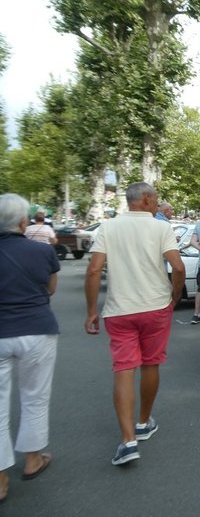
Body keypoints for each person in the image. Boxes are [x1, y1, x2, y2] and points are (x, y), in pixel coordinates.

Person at [84, 182, 185, 466]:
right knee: (150, 364)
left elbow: (94, 269)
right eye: (156, 199)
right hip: (155, 306)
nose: (157, 203)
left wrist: (92, 310)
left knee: (123, 370)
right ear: (147, 199)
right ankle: (143, 422)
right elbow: (178, 267)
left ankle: (127, 441)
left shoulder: (108, 227)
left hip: (119, 309)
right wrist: (173, 296)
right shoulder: (160, 227)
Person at [0, 194, 60, 499]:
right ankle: (32, 459)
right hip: (37, 328)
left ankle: (0, 478)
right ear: (23, 222)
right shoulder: (41, 251)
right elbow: (50, 289)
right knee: (35, 396)